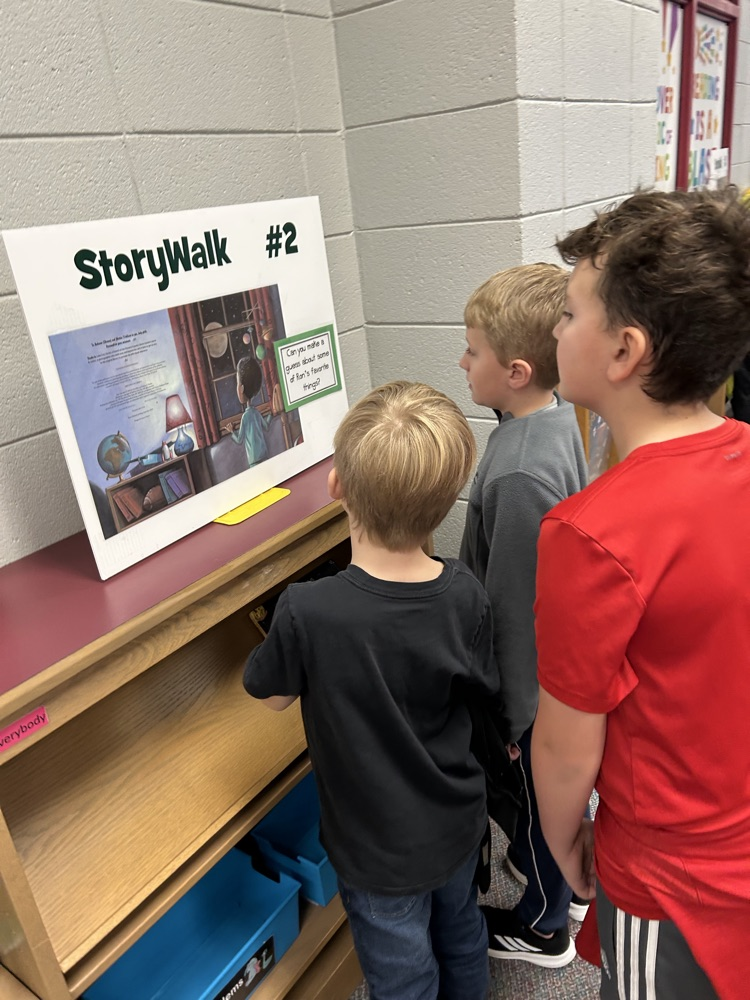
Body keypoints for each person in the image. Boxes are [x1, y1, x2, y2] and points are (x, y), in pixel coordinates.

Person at [531, 187, 750, 1000]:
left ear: (625, 351)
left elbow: (564, 748)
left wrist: (563, 847)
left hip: (674, 882)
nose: (556, 328)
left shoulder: (588, 534)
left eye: (568, 312)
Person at [243, 380, 498, 1000]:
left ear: (337, 487)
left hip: (374, 850)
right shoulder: (465, 592)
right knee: (462, 933)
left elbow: (270, 694)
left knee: (402, 970)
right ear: (444, 502)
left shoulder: (307, 609)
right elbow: (480, 695)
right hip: (457, 821)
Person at [457, 263, 588, 967]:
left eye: (471, 350)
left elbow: (514, 609)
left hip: (535, 692)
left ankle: (545, 924)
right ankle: (566, 879)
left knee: (536, 804)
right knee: (555, 805)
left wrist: (510, 720)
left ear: (514, 370)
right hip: (563, 674)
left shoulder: (516, 476)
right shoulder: (562, 418)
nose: (461, 361)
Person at [231, 355, 270, 467]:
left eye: (237, 383)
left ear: (241, 388)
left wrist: (232, 431)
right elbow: (266, 426)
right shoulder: (256, 413)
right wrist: (270, 414)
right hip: (264, 455)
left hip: (253, 460)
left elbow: (239, 440)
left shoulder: (245, 416)